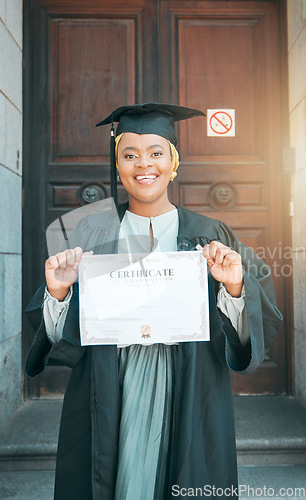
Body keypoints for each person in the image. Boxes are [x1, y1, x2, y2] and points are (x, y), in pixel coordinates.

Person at [25, 103, 282, 500]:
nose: (144, 165)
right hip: (111, 382)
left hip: (190, 380)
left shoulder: (209, 234)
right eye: (130, 155)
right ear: (118, 165)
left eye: (156, 153)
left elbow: (258, 314)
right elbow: (59, 339)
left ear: (174, 162)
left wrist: (233, 288)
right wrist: (58, 295)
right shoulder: (90, 233)